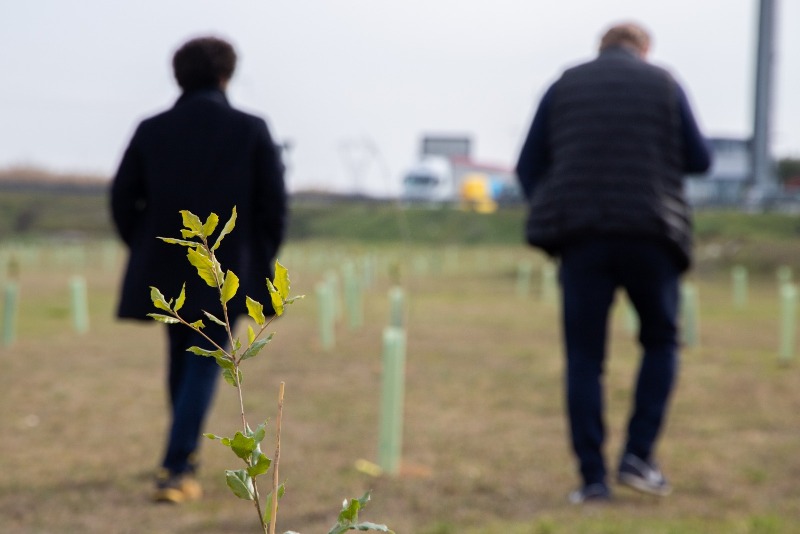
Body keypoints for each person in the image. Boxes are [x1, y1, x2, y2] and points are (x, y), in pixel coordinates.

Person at [515, 22, 711, 503]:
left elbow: (527, 165)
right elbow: (701, 159)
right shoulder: (664, 84)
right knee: (661, 341)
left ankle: (592, 480)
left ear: (601, 48)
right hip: (651, 233)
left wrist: (553, 203)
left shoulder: (565, 84)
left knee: (585, 358)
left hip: (582, 238)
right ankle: (638, 456)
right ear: (644, 50)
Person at [110, 36, 287, 504]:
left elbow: (122, 199)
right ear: (227, 74)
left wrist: (147, 245)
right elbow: (274, 208)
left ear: (177, 75)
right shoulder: (250, 129)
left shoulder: (152, 129)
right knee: (205, 362)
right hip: (227, 271)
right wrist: (254, 258)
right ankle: (177, 465)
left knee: (184, 358)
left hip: (165, 266)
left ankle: (180, 454)